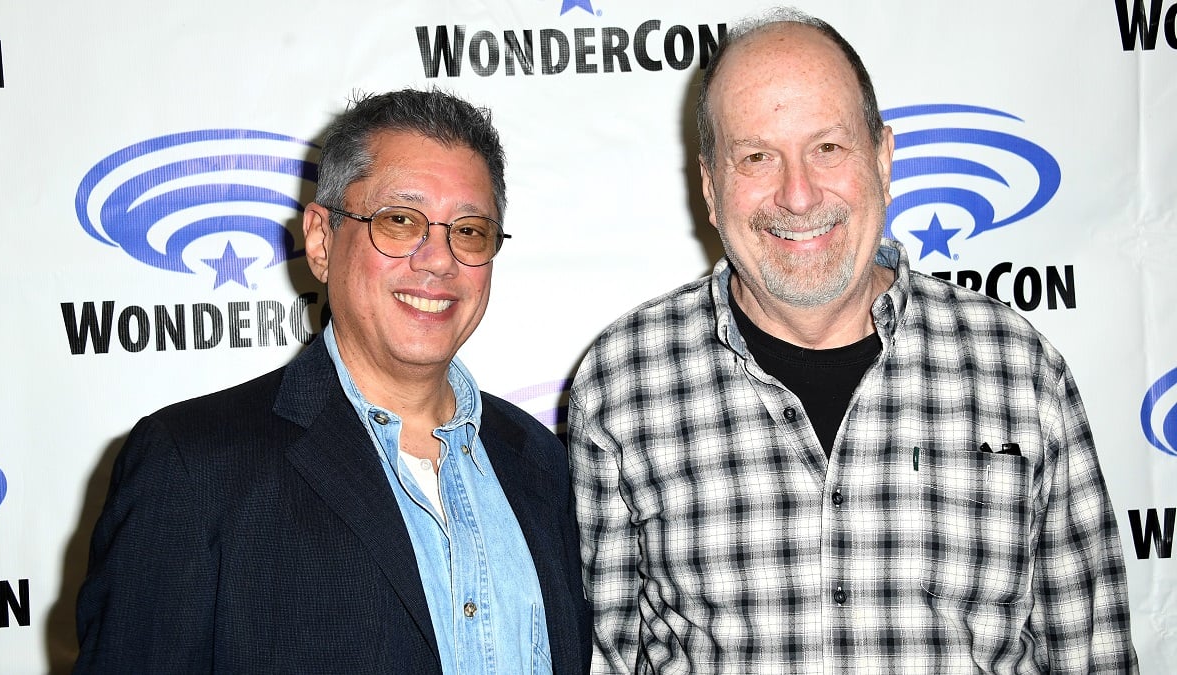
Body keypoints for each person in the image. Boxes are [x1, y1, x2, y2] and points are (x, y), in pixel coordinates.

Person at [568, 7, 1137, 674]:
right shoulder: (621, 386)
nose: (799, 194)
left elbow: (1095, 656)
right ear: (711, 188)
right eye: (756, 156)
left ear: (884, 158)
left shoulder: (1019, 371)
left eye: (828, 148)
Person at [75, 88, 591, 674]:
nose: (439, 260)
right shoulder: (193, 468)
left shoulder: (540, 464)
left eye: (469, 230)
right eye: (400, 221)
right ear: (321, 240)